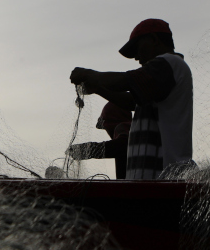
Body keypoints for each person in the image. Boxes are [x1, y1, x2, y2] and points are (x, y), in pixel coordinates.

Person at [70, 19, 194, 180]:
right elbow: (131, 102)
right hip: (151, 180)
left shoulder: (170, 63)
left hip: (165, 177)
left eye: (137, 48)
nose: (136, 57)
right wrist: (98, 88)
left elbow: (126, 81)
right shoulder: (160, 80)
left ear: (154, 40)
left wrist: (92, 75)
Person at [67, 102, 132, 179]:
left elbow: (121, 146)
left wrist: (86, 149)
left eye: (106, 127)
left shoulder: (124, 127)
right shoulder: (133, 129)